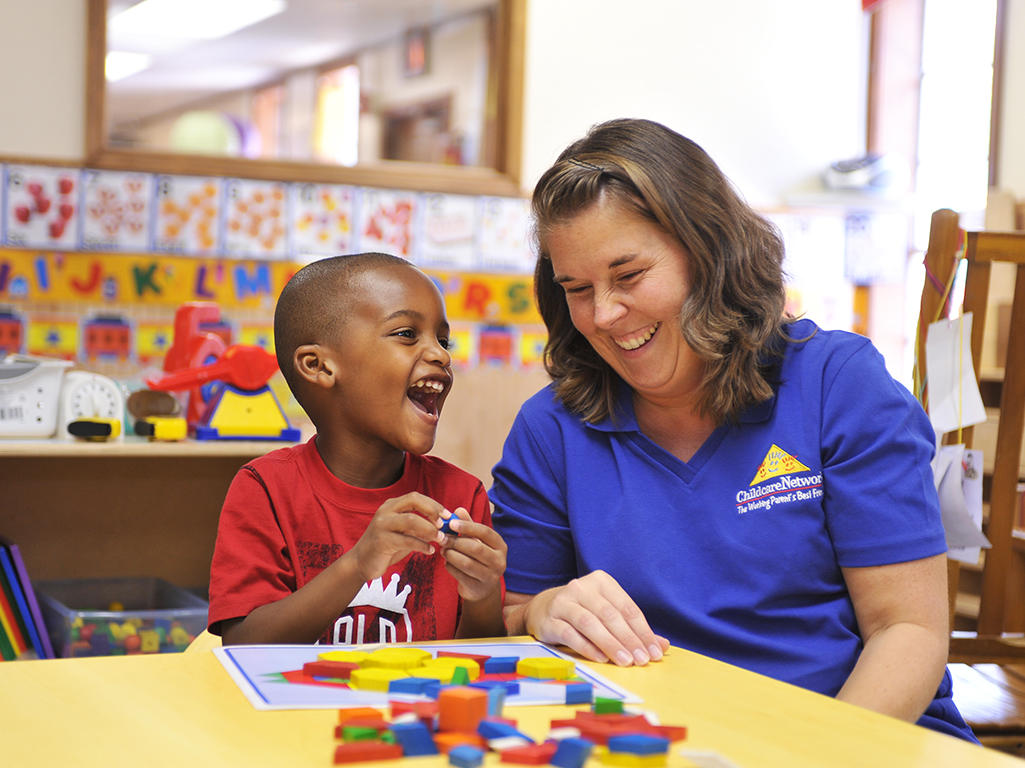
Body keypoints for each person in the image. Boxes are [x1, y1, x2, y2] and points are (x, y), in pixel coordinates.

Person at [489, 118, 976, 741]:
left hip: (859, 736)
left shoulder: (839, 385)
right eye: (577, 289)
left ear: (709, 253)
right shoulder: (551, 428)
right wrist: (541, 610)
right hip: (660, 743)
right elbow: (508, 617)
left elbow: (907, 631)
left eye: (629, 275)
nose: (604, 315)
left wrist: (819, 756)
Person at [208, 252, 507, 646]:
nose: (442, 354)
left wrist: (483, 594)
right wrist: (360, 564)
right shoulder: (265, 489)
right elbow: (244, 645)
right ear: (318, 366)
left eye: (443, 339)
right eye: (407, 334)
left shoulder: (462, 495)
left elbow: (483, 653)